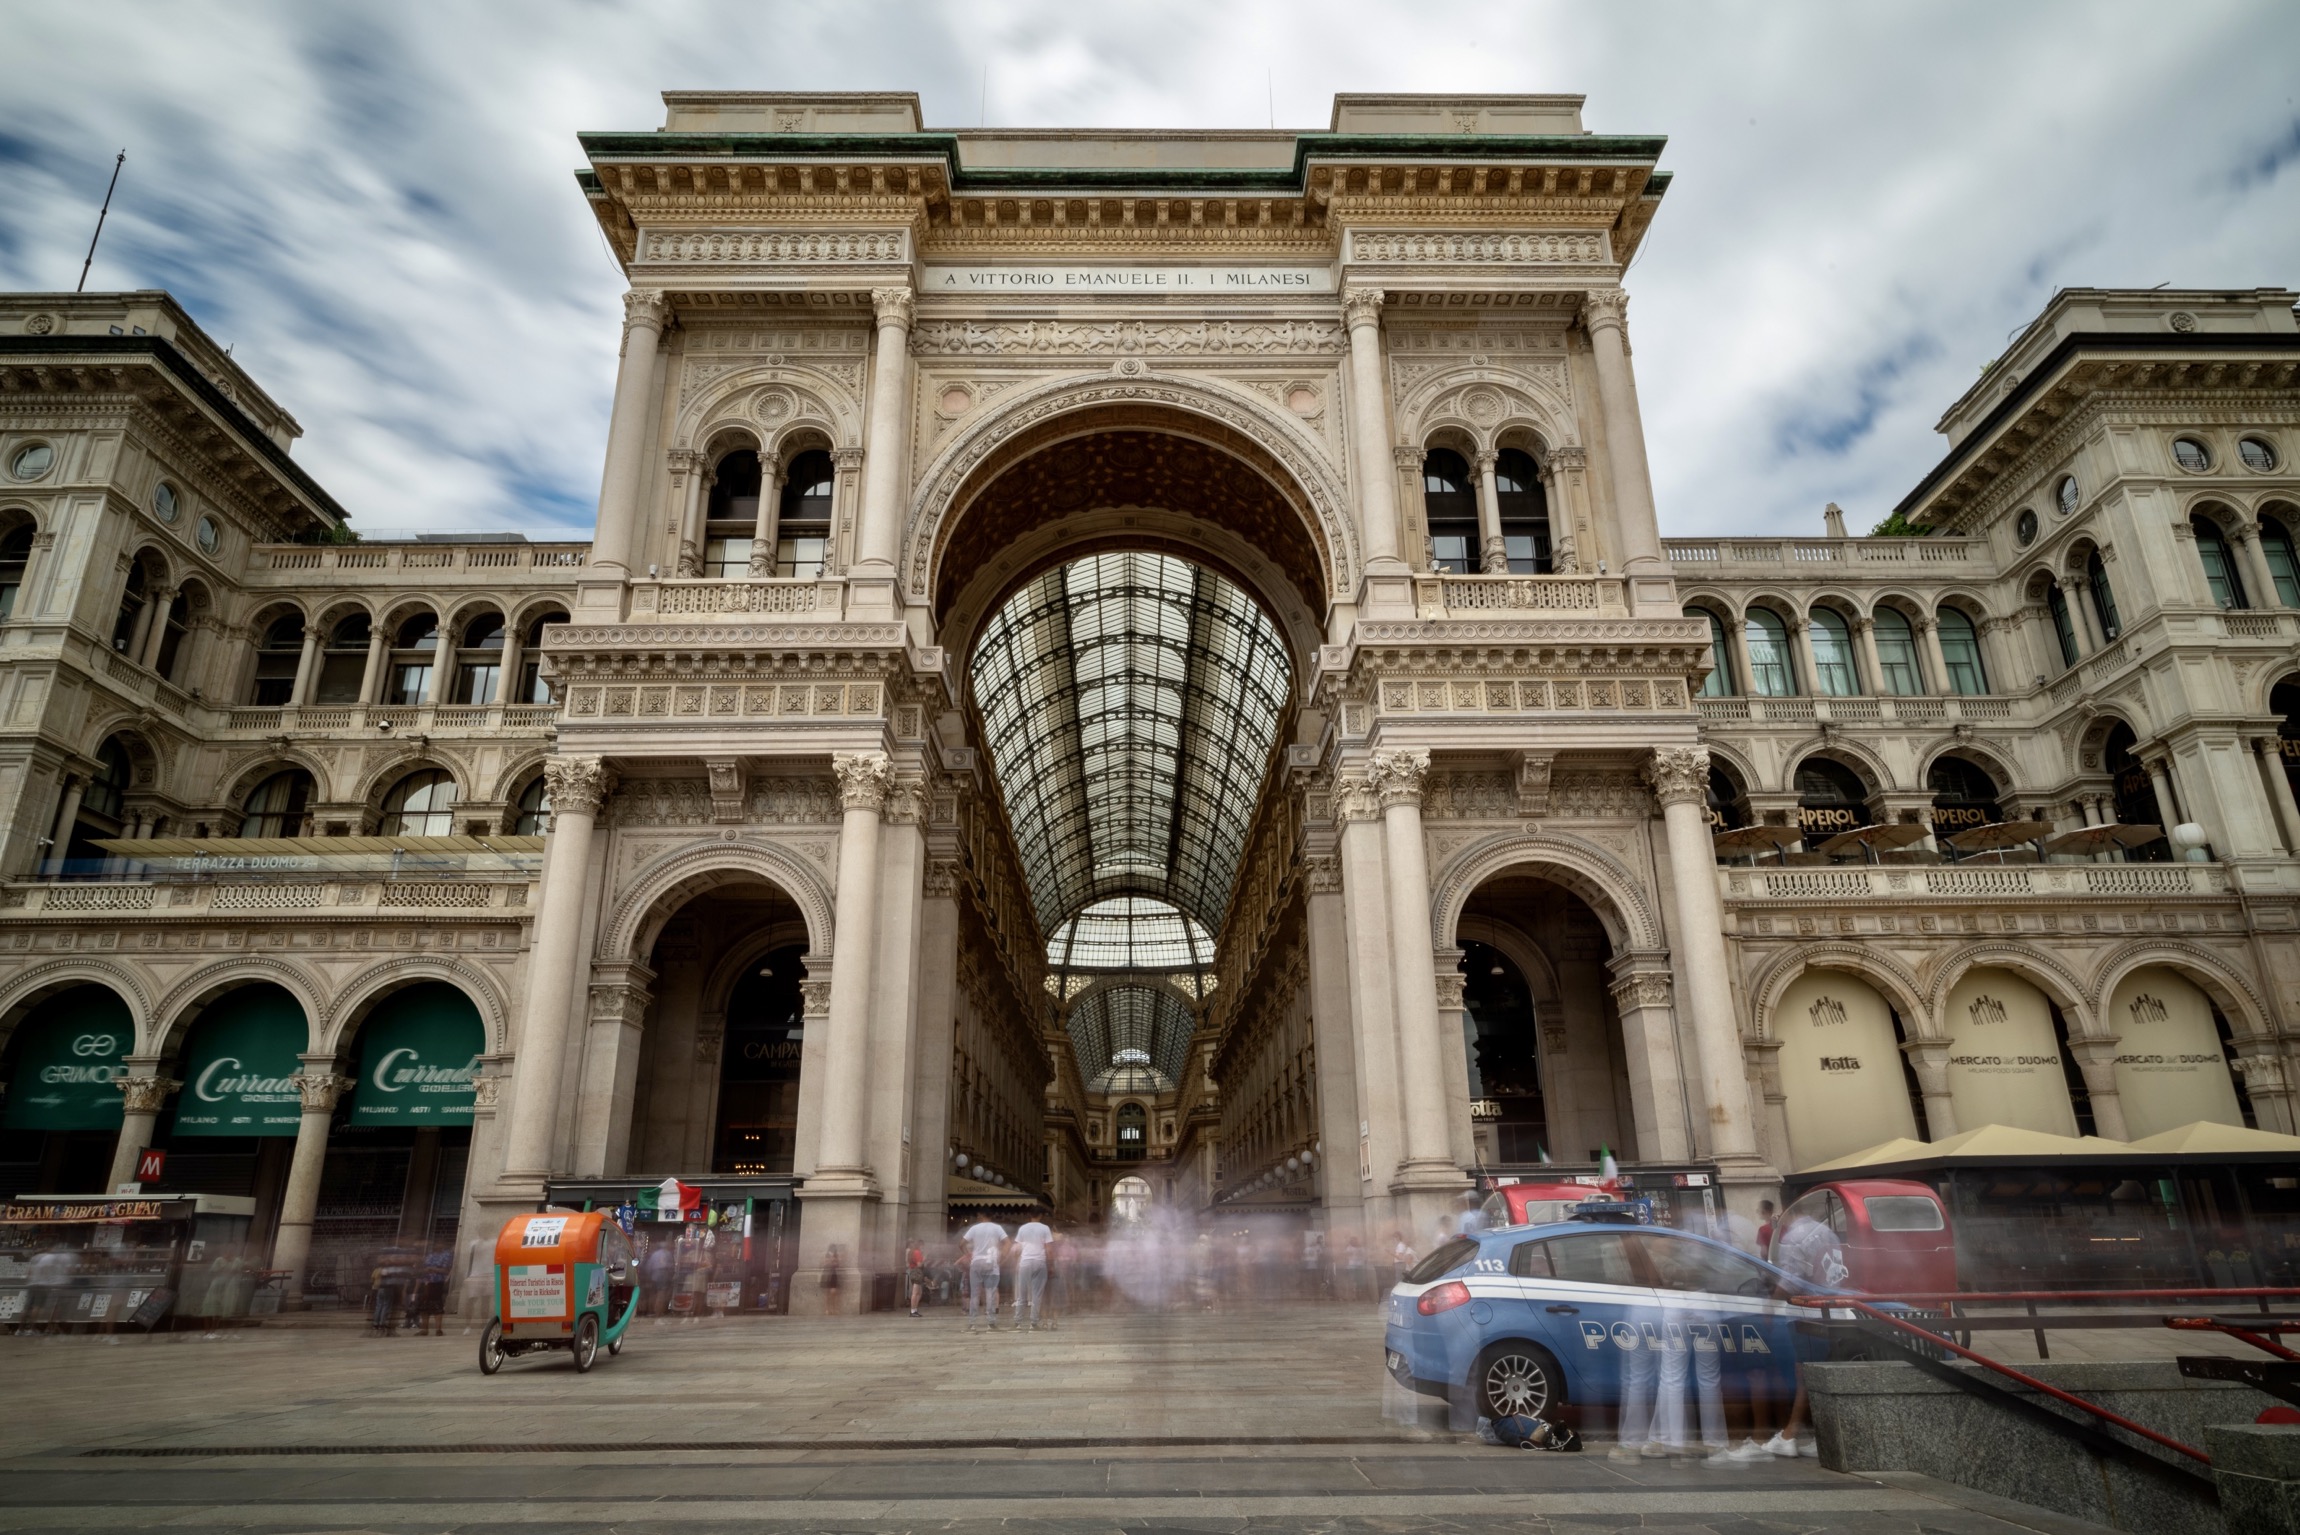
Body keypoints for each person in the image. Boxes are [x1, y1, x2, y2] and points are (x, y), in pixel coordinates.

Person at [1763, 1206, 1847, 1458]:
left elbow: (1790, 1280)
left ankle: (1789, 1434)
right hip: (1832, 1308)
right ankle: (1821, 1435)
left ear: (1789, 1213)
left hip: (1805, 1311)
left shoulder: (1795, 1237)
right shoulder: (1826, 1232)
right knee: (1822, 1372)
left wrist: (1770, 1305)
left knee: (1804, 1374)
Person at [960, 1216, 1007, 1331]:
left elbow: (961, 1244)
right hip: (991, 1262)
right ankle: (991, 1323)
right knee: (990, 1293)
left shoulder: (975, 1228)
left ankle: (972, 1324)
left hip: (976, 1262)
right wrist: (1001, 1258)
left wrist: (968, 1255)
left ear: (981, 1216)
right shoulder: (997, 1228)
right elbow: (1007, 1243)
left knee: (975, 1294)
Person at [1012, 1212, 1052, 1331]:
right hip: (1039, 1262)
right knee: (1037, 1295)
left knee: (1021, 1294)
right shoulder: (1045, 1228)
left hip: (1025, 1263)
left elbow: (1017, 1249)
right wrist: (1050, 1265)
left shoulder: (1023, 1228)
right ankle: (1033, 1323)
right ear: (1040, 1215)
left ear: (1029, 1215)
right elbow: (1049, 1249)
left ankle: (1017, 1322)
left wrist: (1017, 1262)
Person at [820, 1244, 845, 1316]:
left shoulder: (836, 1255)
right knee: (827, 1293)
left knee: (833, 1292)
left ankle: (834, 1308)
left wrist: (835, 1261)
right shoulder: (826, 1255)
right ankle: (827, 1309)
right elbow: (823, 1263)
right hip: (827, 1273)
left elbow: (838, 1264)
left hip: (833, 1274)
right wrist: (831, 1261)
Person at [905, 1239, 928, 1317]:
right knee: (915, 1293)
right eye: (922, 1246)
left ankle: (915, 1310)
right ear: (919, 1245)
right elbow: (919, 1264)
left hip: (913, 1271)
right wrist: (924, 1258)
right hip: (917, 1272)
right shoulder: (917, 1252)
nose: (923, 1247)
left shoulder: (911, 1252)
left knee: (919, 1292)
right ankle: (912, 1311)